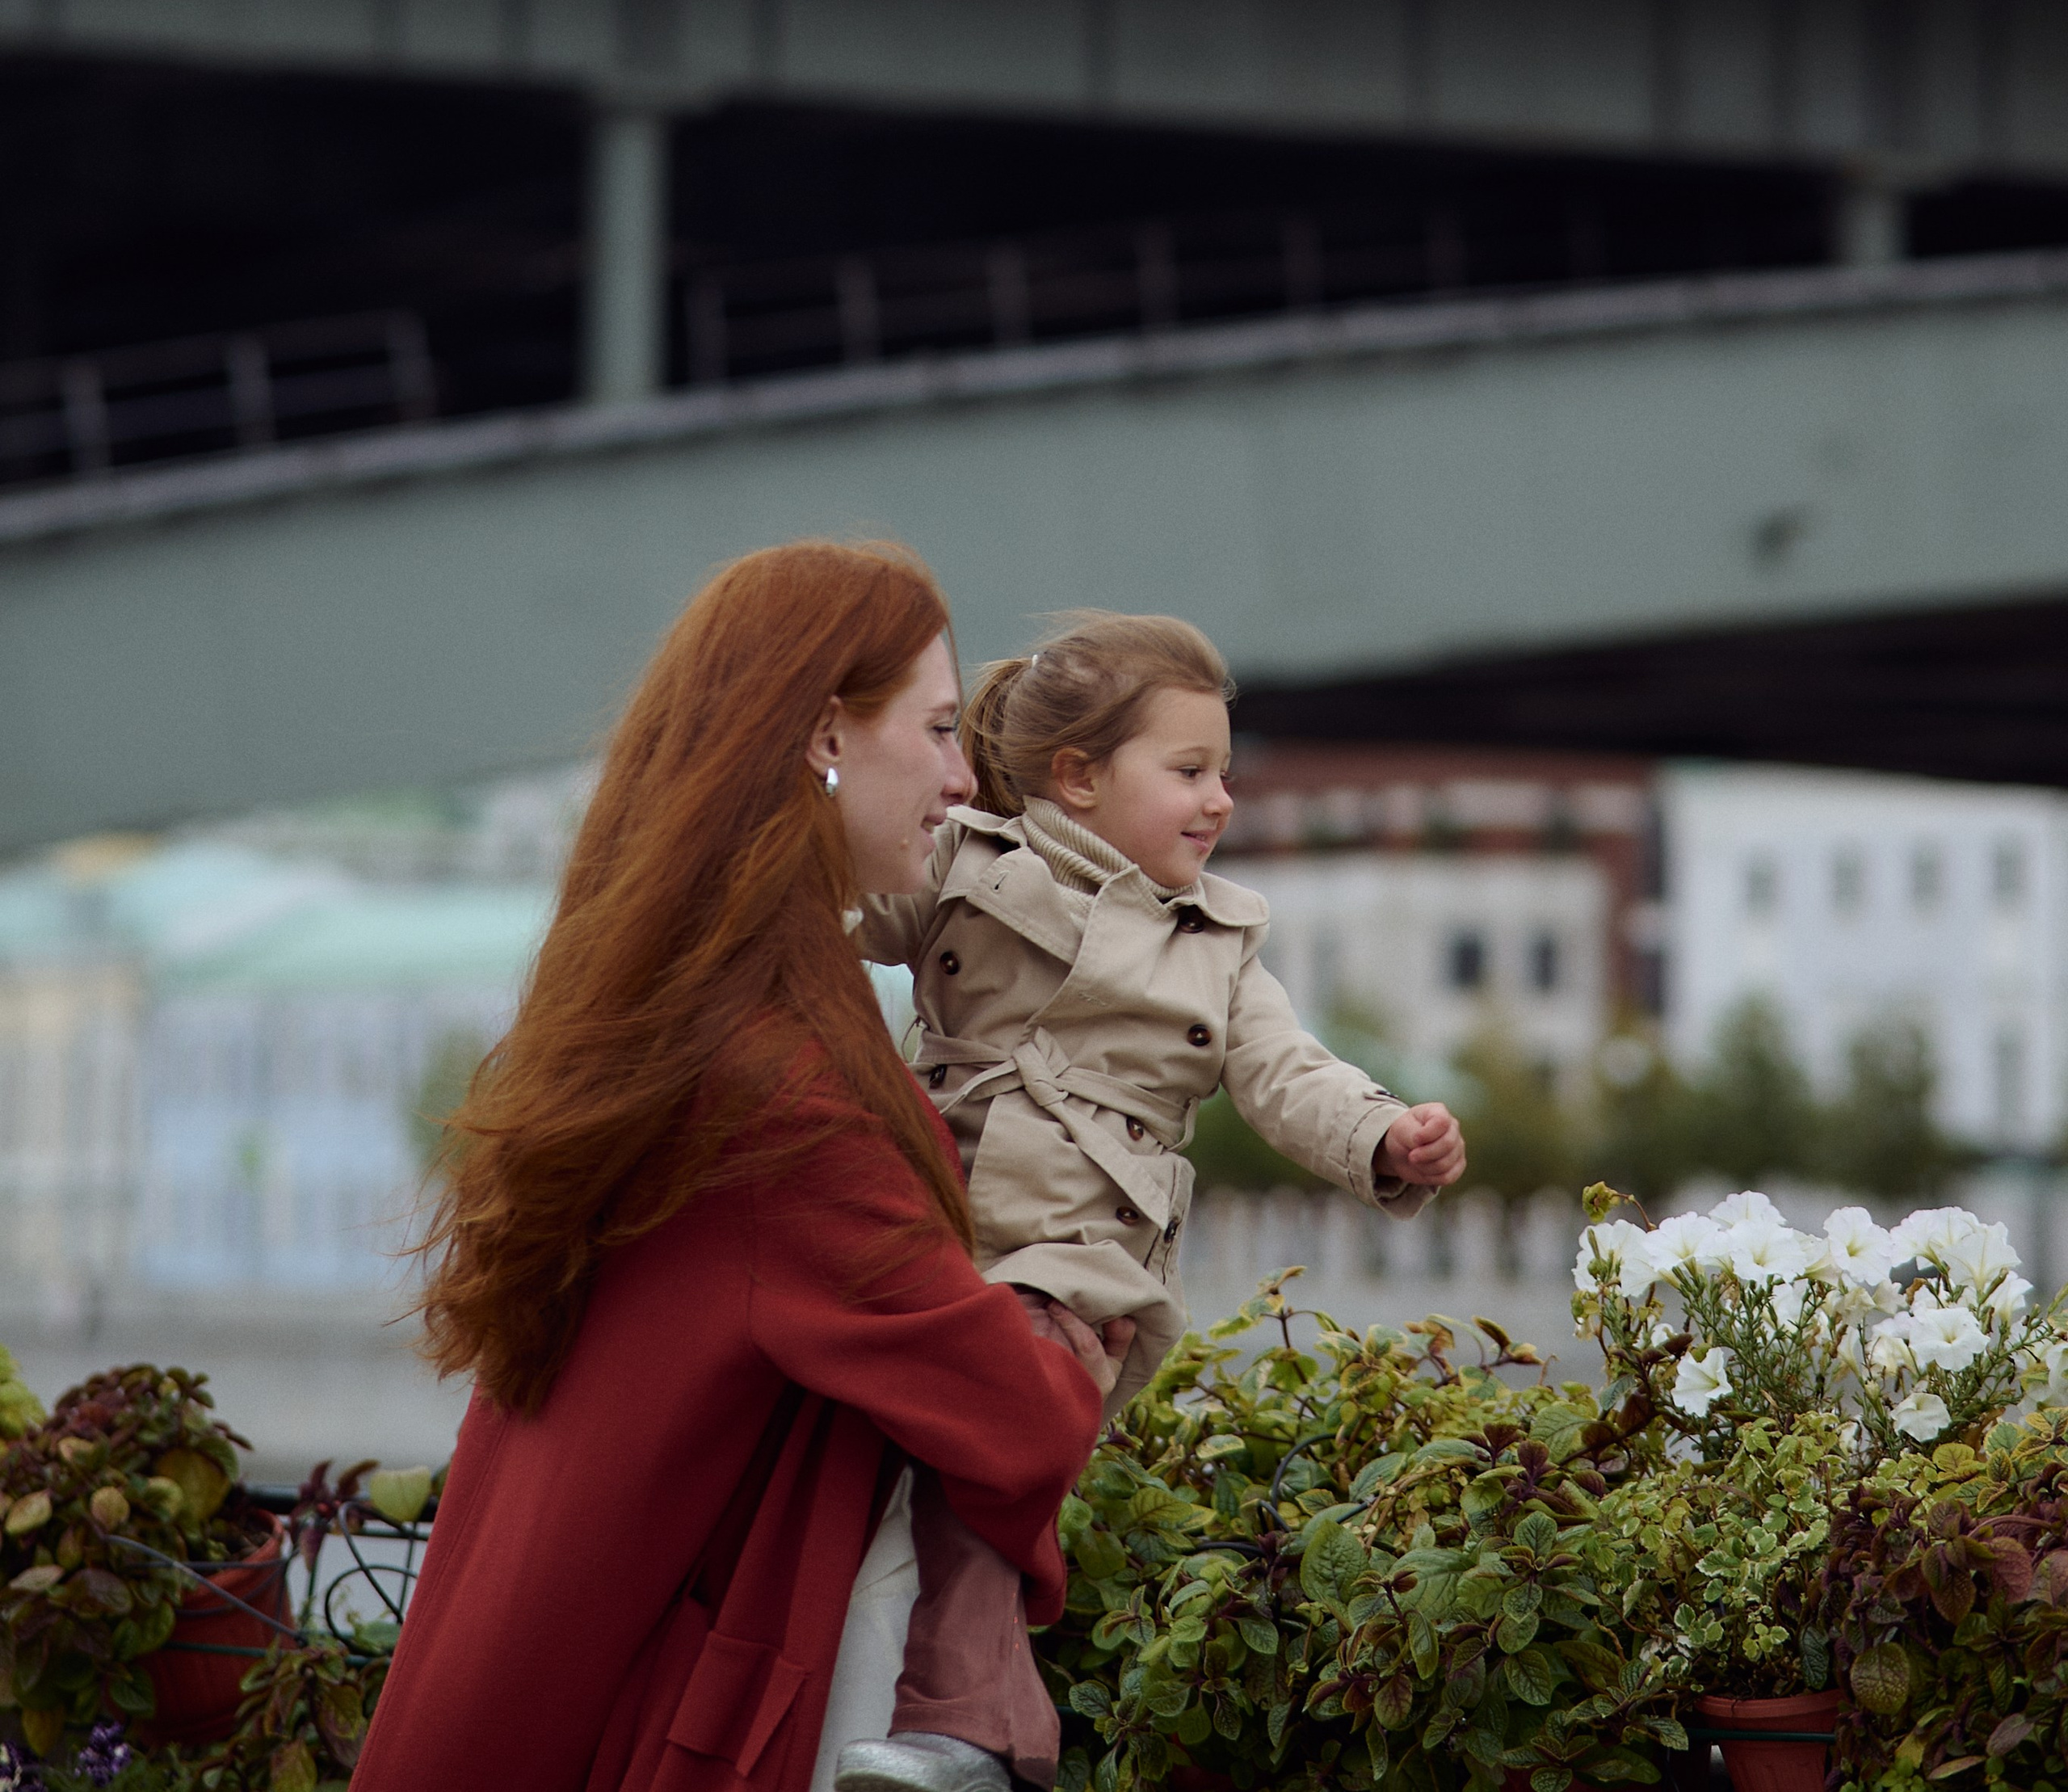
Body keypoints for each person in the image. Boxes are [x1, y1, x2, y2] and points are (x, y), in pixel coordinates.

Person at [355, 541, 1131, 1792]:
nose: (963, 777)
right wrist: (1068, 1344)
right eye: (939, 730)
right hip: (657, 1740)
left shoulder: (677, 1023)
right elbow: (1017, 1424)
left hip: (529, 1708)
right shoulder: (783, 1099)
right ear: (825, 734)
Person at [835, 612, 1467, 1792]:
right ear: (1079, 777)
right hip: (932, 1215)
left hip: (1081, 1250)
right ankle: (969, 1733)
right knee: (885, 1468)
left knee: (999, 1425)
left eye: (1223, 772)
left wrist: (1383, 1133)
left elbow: (1287, 1073)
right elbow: (839, 910)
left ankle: (955, 1724)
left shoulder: (1219, 941)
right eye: (1189, 771)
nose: (1220, 800)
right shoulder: (965, 864)